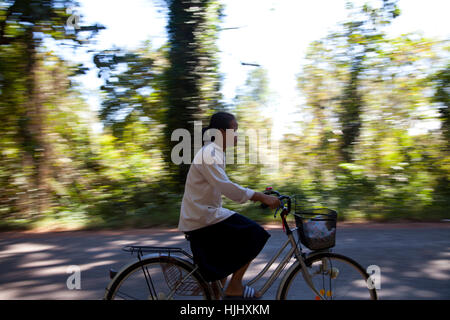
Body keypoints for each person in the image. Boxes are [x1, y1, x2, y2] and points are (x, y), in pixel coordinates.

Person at [178, 111, 280, 300]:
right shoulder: (209, 153)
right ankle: (235, 286)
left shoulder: (215, 152)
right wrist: (260, 197)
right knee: (255, 234)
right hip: (202, 217)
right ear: (221, 132)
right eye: (234, 130)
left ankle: (220, 292)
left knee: (223, 264)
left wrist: (258, 196)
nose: (237, 135)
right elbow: (228, 188)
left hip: (205, 215)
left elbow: (224, 187)